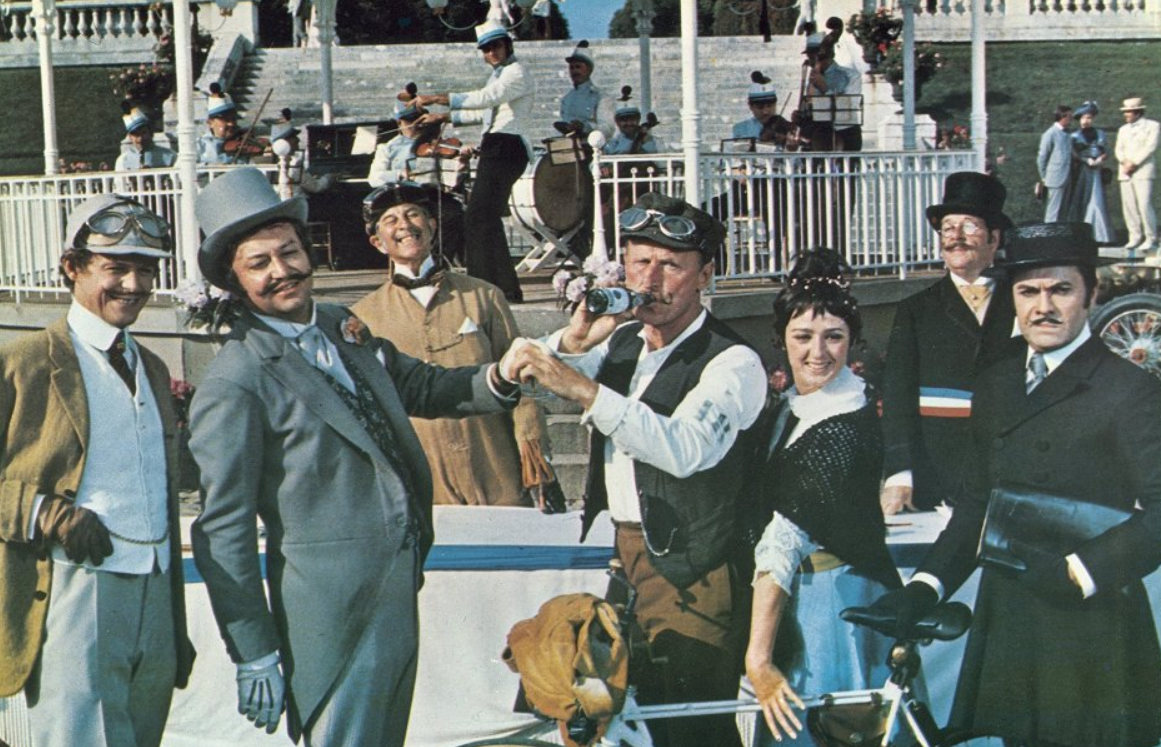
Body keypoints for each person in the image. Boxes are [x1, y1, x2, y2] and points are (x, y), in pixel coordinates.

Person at [188, 167, 521, 746]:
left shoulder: (339, 324)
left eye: (289, 252)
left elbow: (420, 386)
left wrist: (505, 373)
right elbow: (223, 530)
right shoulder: (235, 380)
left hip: (397, 588)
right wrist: (254, 650)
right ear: (234, 281)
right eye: (259, 263)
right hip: (330, 615)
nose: (281, 271)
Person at [867, 221, 1161, 747]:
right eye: (1028, 292)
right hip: (1011, 613)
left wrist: (1080, 572)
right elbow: (978, 503)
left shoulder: (1130, 390)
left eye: (1060, 289)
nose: (1043, 307)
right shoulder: (998, 382)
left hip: (1092, 621)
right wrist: (925, 586)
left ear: (1092, 294)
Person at [506, 193, 768, 747]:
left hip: (696, 569)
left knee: (692, 726)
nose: (650, 280)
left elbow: (685, 449)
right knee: (624, 717)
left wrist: (585, 390)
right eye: (639, 261)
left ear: (705, 276)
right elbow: (527, 373)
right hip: (628, 555)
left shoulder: (733, 360)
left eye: (671, 265)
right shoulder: (625, 340)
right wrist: (573, 340)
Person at [0, 194, 195, 747]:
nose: (134, 285)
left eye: (146, 269)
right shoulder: (23, 363)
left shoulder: (150, 366)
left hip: (157, 587)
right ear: (72, 267)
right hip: (75, 584)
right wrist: (43, 511)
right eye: (116, 268)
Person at [744, 249, 901, 745]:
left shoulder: (843, 426)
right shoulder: (795, 406)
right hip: (798, 593)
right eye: (803, 337)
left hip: (833, 600)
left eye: (833, 336)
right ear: (782, 340)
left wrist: (757, 657)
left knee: (826, 727)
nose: (818, 352)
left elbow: (784, 538)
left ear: (852, 341)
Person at [352, 181, 562, 509]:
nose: (405, 225)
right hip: (423, 475)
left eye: (413, 214)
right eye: (391, 220)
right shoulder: (363, 316)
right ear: (378, 242)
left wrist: (534, 453)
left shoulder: (484, 296)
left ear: (432, 225)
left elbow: (524, 381)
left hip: (494, 465)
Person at [880, 172, 1017, 515]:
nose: (956, 237)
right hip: (938, 480)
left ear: (994, 238)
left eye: (969, 226)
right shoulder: (915, 310)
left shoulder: (1023, 303)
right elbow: (897, 397)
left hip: (1010, 480)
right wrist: (900, 474)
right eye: (947, 228)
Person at [414, 20, 533, 304]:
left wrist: (437, 98)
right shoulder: (499, 76)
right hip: (497, 145)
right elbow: (485, 111)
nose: (491, 53)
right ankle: (503, 289)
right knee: (485, 217)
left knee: (478, 217)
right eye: (486, 49)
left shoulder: (517, 72)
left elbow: (487, 98)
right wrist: (443, 116)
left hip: (506, 146)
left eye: (496, 46)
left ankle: (484, 287)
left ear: (507, 45)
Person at [1114, 96, 1160, 256]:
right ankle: (1134, 236)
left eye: (1128, 112)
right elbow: (1118, 149)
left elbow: (1150, 147)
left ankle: (1151, 237)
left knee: (1144, 204)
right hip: (1125, 172)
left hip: (1143, 171)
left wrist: (1134, 163)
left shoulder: (1153, 126)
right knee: (1129, 206)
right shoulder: (1123, 129)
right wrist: (1125, 162)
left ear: (1137, 112)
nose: (1125, 115)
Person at [801, 34, 862, 151]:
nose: (812, 62)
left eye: (816, 58)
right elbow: (810, 105)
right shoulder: (813, 77)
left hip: (845, 132)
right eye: (810, 57)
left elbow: (850, 107)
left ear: (828, 55)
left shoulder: (851, 75)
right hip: (820, 134)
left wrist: (825, 88)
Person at [1066, 101, 1113, 244]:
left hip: (1096, 170)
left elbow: (1105, 151)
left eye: (1089, 118)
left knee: (1097, 199)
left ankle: (1100, 235)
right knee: (1081, 199)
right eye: (1084, 118)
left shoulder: (1100, 134)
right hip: (1082, 170)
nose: (1086, 121)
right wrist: (1085, 160)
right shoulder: (1074, 136)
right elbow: (1073, 154)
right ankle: (1081, 234)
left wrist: (1099, 159)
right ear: (1079, 119)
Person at [270, 109, 334, 199]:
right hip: (298, 201)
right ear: (284, 142)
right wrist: (330, 176)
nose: (298, 140)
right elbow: (317, 187)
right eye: (293, 137)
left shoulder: (272, 163)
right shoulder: (294, 165)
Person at [556, 40, 611, 139]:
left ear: (589, 69)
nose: (575, 71)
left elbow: (607, 128)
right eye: (572, 68)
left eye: (578, 67)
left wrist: (584, 127)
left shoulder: (601, 97)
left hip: (591, 145)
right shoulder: (567, 99)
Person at [197, 83, 252, 165]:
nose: (231, 124)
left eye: (233, 119)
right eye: (225, 120)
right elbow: (181, 170)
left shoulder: (244, 142)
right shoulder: (200, 145)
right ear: (210, 122)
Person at [1037, 104, 1074, 222]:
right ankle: (1050, 232)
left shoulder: (1067, 133)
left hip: (1067, 177)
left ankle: (1060, 232)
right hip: (1055, 178)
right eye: (1070, 117)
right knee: (1053, 212)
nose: (1071, 120)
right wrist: (1044, 177)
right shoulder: (1050, 134)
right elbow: (1042, 157)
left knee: (1063, 210)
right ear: (1063, 117)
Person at [115, 102, 176, 171]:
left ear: (151, 132)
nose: (140, 139)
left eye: (143, 133)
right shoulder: (123, 160)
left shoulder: (170, 156)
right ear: (130, 137)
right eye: (135, 135)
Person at [602, 90, 660, 156]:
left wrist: (641, 137)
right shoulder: (614, 143)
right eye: (624, 120)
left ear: (638, 120)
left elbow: (654, 155)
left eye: (632, 119)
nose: (629, 123)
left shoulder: (647, 139)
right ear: (617, 122)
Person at [731, 71, 781, 141]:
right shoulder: (740, 129)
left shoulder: (785, 128)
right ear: (750, 106)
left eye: (769, 106)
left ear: (775, 104)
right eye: (760, 107)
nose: (765, 112)